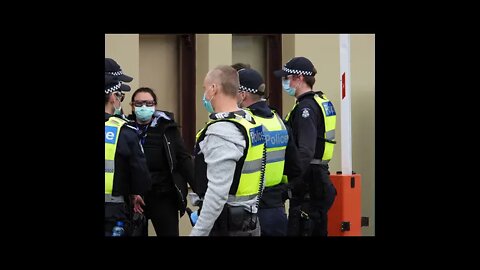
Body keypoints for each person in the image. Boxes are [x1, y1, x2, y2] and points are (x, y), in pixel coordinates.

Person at [189, 65, 266, 236]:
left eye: (204, 88)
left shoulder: (222, 130)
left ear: (213, 89)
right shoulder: (250, 123)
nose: (204, 94)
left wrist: (198, 232)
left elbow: (217, 193)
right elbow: (261, 176)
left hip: (226, 226)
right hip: (250, 221)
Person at [233, 64, 303, 236]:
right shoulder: (279, 121)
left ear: (242, 94)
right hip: (276, 209)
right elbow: (295, 168)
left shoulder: (243, 124)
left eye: (232, 92)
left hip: (247, 211)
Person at [274, 56, 337, 236]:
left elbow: (305, 151)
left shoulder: (305, 109)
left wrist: (289, 184)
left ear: (300, 78)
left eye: (287, 78)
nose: (284, 82)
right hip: (318, 180)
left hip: (309, 186)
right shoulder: (318, 102)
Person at [126, 87, 196, 236]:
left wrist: (200, 189)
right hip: (134, 197)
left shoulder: (167, 128)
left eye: (148, 103)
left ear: (155, 105)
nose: (143, 107)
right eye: (138, 104)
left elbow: (183, 159)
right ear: (132, 106)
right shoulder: (125, 129)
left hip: (164, 196)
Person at [105, 74, 151, 236]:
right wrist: (135, 193)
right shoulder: (123, 131)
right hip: (113, 210)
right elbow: (142, 177)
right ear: (112, 97)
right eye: (120, 96)